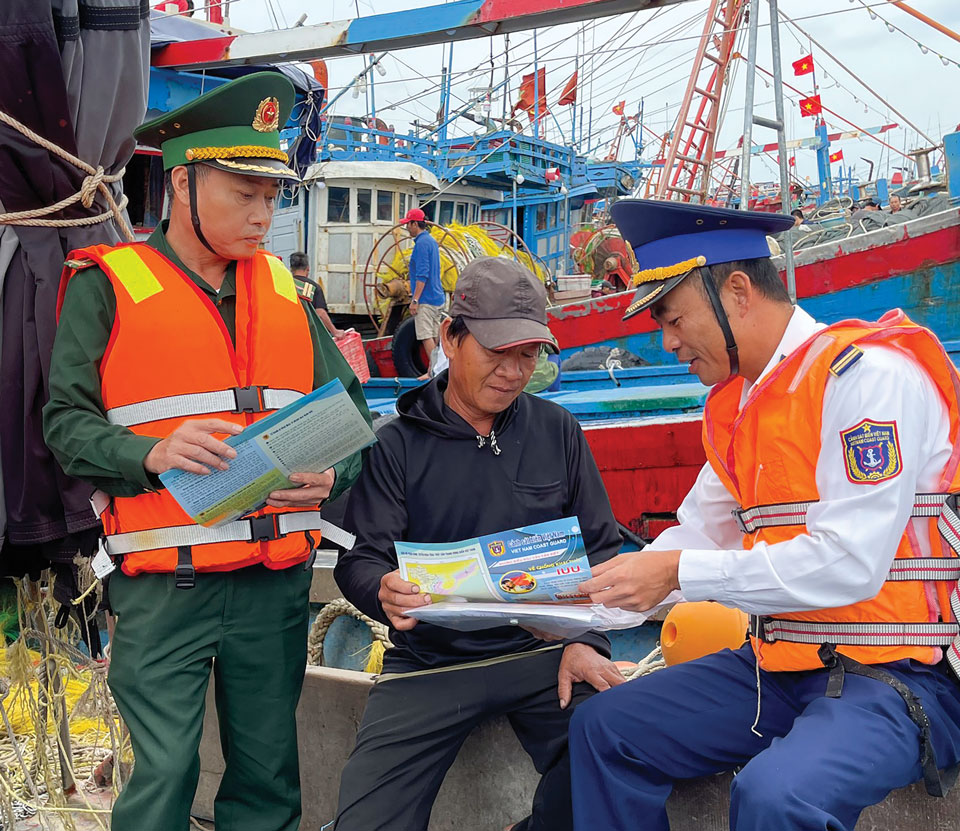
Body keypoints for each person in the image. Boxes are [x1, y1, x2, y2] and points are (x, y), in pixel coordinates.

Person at [568, 199, 960, 831]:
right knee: (605, 728)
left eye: (672, 318)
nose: (666, 343)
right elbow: (694, 534)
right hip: (786, 666)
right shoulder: (739, 408)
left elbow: (850, 564)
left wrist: (676, 575)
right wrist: (571, 606)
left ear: (739, 292)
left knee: (777, 797)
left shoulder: (867, 380)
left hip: (914, 676)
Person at [42, 73, 372, 831]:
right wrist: (152, 453)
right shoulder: (108, 284)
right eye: (245, 193)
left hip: (275, 585)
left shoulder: (289, 294)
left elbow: (355, 418)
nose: (265, 214)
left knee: (267, 779)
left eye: (272, 195)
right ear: (182, 182)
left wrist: (329, 473)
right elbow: (62, 424)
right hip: (164, 589)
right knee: (162, 776)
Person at [332, 257, 624, 831]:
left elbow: (603, 550)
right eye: (497, 352)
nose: (513, 372)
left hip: (544, 654)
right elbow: (361, 559)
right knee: (366, 822)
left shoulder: (557, 429)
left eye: (528, 355)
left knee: (621, 747)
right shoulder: (397, 445)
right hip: (430, 664)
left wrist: (587, 638)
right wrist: (383, 591)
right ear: (450, 336)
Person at [404, 206, 445, 371]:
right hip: (438, 297)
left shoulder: (421, 244)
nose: (407, 228)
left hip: (426, 299)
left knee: (425, 335)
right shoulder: (431, 241)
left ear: (415, 224)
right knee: (435, 335)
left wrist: (415, 300)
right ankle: (433, 370)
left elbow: (422, 275)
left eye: (408, 224)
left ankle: (435, 371)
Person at [290, 250, 345, 338]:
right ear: (308, 268)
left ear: (291, 269)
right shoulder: (314, 287)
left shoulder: (285, 285)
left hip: (286, 331)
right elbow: (320, 313)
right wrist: (335, 332)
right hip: (306, 335)